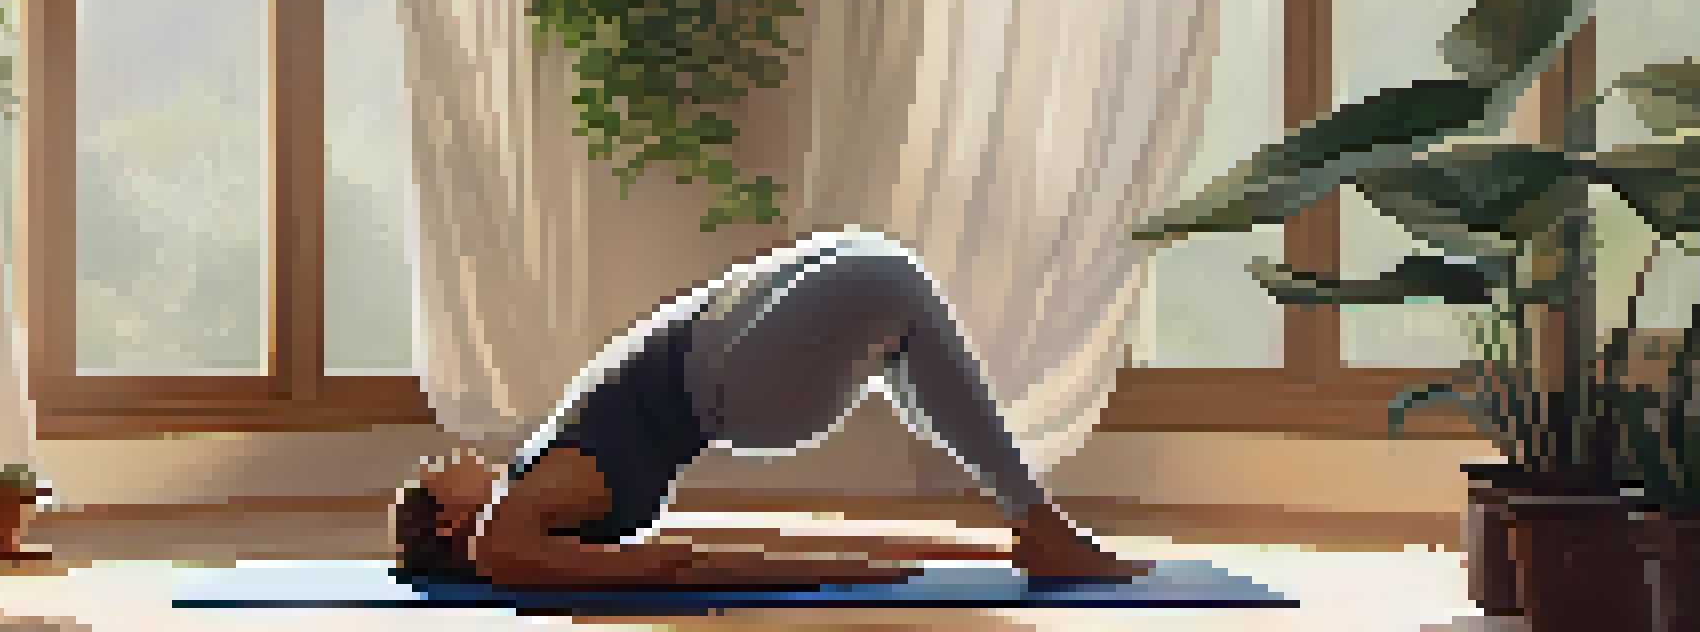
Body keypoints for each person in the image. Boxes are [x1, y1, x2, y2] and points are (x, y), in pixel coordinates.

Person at [389, 226, 1153, 590]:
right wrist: (836, 570)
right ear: (452, 522)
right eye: (432, 479)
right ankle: (1038, 522)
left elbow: (678, 546)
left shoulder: (532, 491)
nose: (438, 459)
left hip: (724, 356)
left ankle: (1029, 523)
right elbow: (653, 565)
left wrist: (916, 551)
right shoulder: (505, 525)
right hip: (735, 383)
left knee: (883, 279)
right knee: (887, 279)